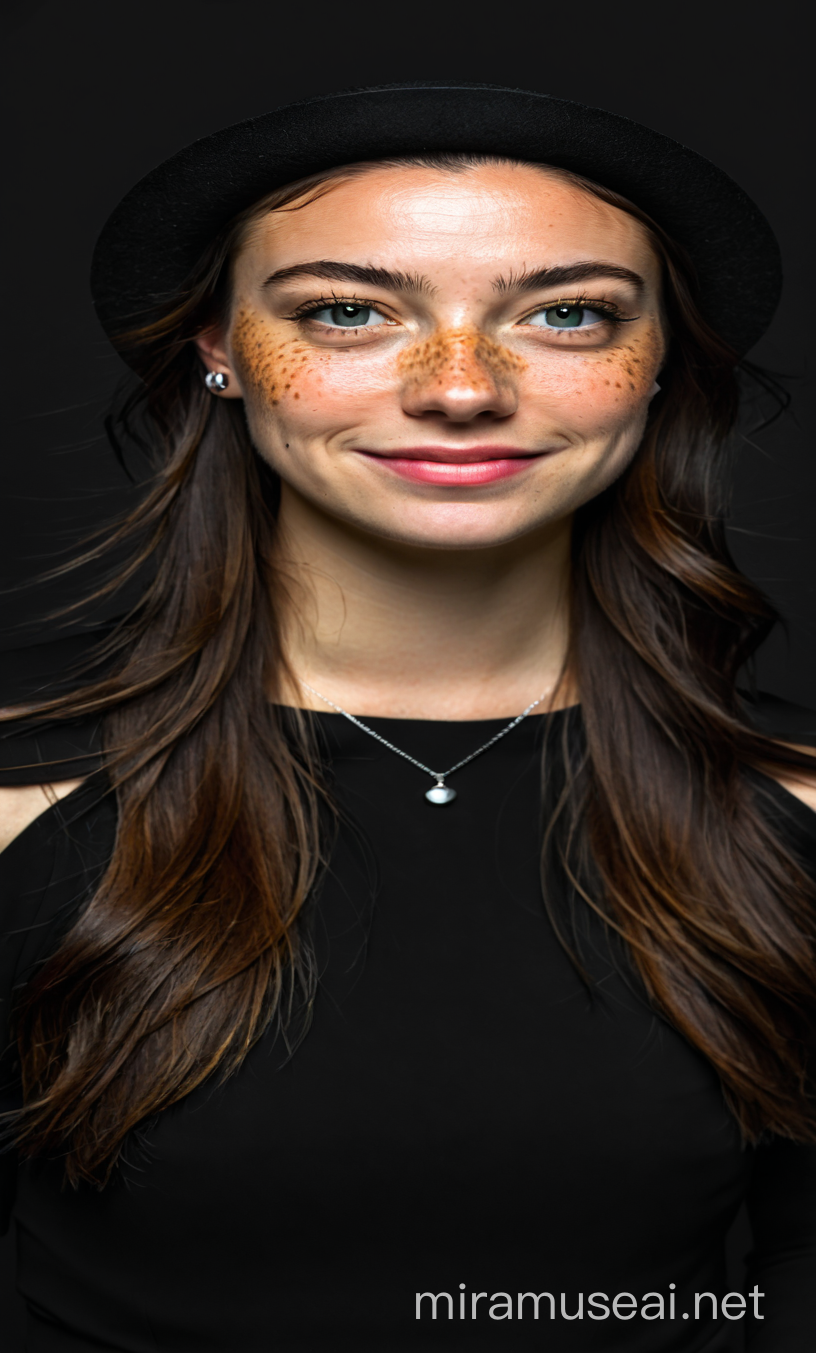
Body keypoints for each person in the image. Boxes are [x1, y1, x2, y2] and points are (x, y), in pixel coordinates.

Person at [0, 83, 814, 1352]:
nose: (460, 386)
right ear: (215, 345)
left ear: (659, 362)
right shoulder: (19, 808)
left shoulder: (796, 812)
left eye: (565, 314)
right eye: (345, 312)